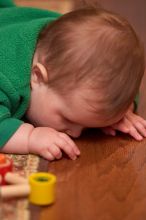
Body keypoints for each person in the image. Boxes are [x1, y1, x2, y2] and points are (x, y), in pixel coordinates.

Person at [0, 0, 145, 161]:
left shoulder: (65, 39)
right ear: (37, 77)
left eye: (86, 127)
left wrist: (119, 111)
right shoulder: (7, 80)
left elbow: (120, 74)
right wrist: (30, 137)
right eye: (67, 119)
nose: (75, 133)